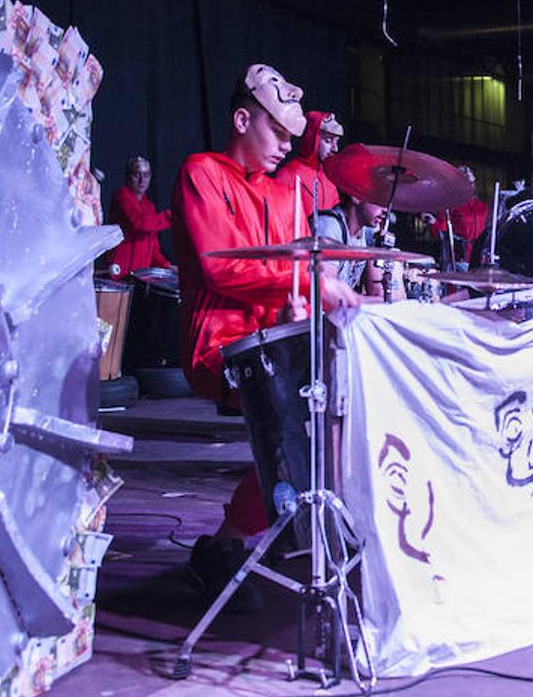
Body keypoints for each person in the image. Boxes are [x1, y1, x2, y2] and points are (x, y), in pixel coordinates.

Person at [171, 63, 361, 610]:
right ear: (240, 118)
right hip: (221, 345)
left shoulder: (283, 194)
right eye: (276, 132)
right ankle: (230, 543)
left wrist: (303, 299)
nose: (286, 144)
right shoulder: (201, 172)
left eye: (290, 136)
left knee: (340, 403)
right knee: (309, 419)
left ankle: (284, 525)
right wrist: (308, 283)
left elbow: (283, 277)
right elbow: (221, 270)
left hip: (271, 340)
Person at [312, 190, 406, 300]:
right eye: (379, 201)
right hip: (321, 313)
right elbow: (325, 292)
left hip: (343, 310)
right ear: (356, 197)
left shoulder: (368, 231)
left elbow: (376, 290)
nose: (385, 210)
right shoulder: (329, 226)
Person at [106, 155, 172, 276]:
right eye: (137, 175)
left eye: (146, 175)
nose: (142, 180)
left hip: (141, 275)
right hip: (121, 273)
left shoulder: (149, 206)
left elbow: (153, 247)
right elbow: (138, 223)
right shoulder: (122, 196)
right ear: (127, 177)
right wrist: (172, 217)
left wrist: (166, 266)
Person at [274, 110, 344, 214]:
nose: (335, 149)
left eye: (336, 142)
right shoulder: (288, 175)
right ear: (312, 138)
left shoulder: (329, 179)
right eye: (328, 141)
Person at [422, 166, 488, 266]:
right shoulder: (451, 205)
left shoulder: (482, 207)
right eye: (465, 182)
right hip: (458, 259)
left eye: (471, 182)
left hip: (479, 257)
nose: (469, 186)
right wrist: (433, 223)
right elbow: (441, 233)